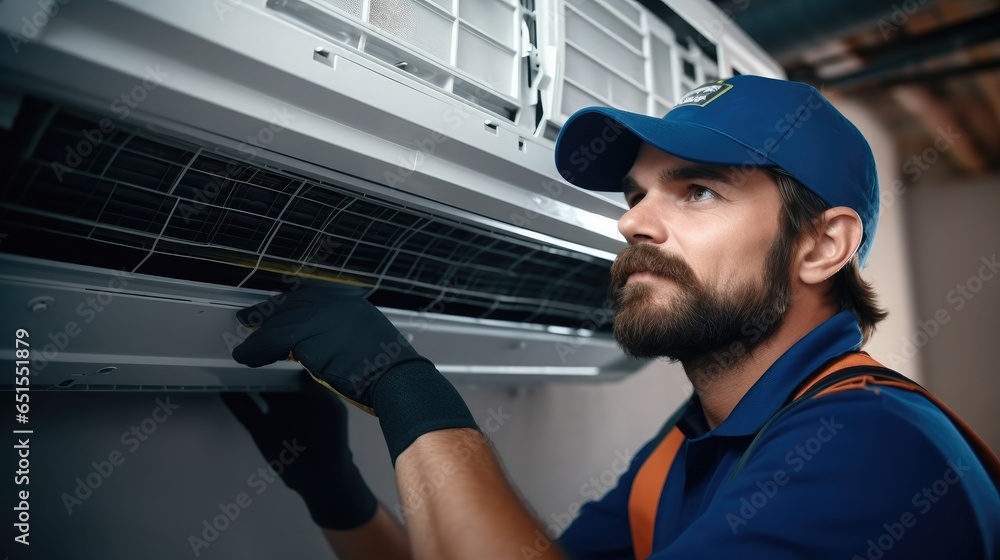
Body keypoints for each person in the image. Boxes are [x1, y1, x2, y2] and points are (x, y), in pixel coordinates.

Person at [226, 75, 1000, 559]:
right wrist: (340, 497)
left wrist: (405, 390)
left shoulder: (874, 450)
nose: (633, 225)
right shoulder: (689, 445)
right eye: (637, 196)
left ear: (823, 245)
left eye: (697, 191)